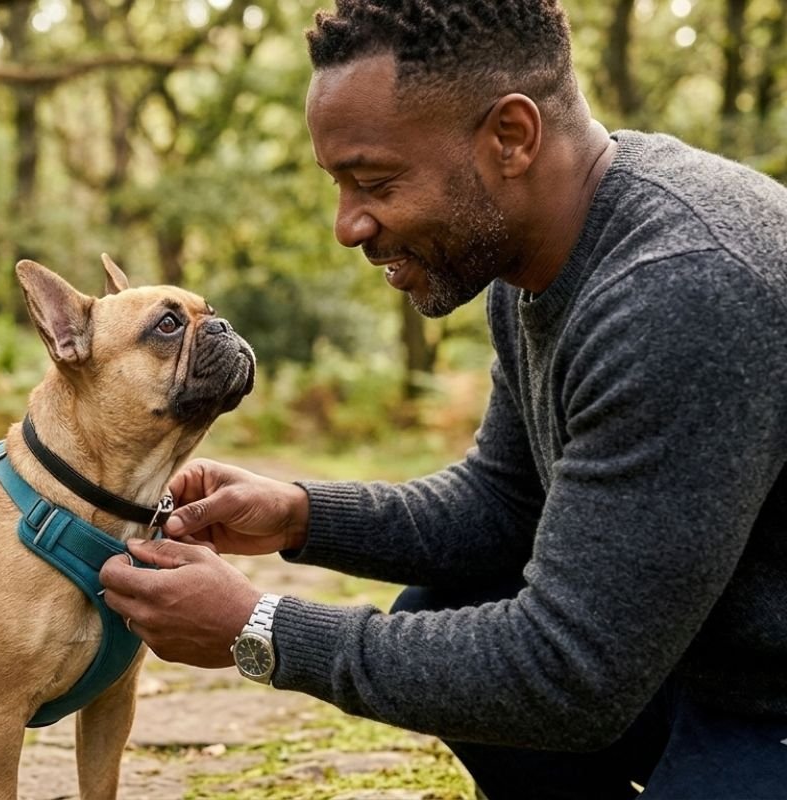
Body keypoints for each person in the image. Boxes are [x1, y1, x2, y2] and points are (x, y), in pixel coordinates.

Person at [99, 1, 787, 798]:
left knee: (509, 663)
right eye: (339, 185)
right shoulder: (532, 254)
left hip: (761, 699)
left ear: (511, 137)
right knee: (451, 598)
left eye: (375, 181)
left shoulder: (683, 288)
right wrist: (297, 513)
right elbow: (503, 502)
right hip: (701, 667)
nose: (347, 226)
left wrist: (260, 629)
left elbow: (571, 674)